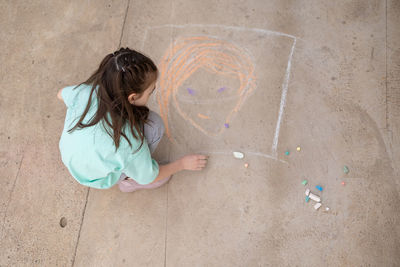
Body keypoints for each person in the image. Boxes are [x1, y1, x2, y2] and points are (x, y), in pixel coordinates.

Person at [57, 47, 208, 192]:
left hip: (74, 159)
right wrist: (182, 164)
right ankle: (129, 181)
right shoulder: (127, 144)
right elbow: (149, 177)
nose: (152, 93)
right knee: (155, 125)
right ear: (133, 97)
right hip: (98, 177)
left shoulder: (86, 91)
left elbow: (60, 94)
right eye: (150, 91)